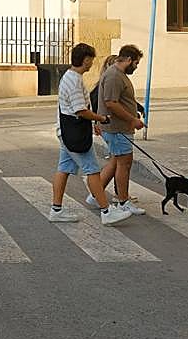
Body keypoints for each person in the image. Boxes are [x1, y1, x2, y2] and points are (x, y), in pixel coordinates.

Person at [50, 42, 131, 226]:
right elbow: (80, 110)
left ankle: (56, 209)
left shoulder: (71, 77)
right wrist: (101, 118)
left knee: (64, 169)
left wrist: (94, 121)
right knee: (93, 170)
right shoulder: (73, 81)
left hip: (66, 132)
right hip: (74, 134)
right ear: (85, 60)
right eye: (91, 60)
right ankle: (106, 211)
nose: (92, 64)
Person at [94, 44, 147, 217]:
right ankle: (123, 201)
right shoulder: (114, 76)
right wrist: (132, 119)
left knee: (117, 162)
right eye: (136, 63)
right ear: (129, 60)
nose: (136, 67)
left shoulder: (118, 74)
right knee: (125, 163)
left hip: (119, 128)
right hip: (117, 129)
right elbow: (111, 103)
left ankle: (96, 194)